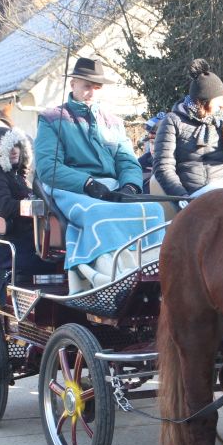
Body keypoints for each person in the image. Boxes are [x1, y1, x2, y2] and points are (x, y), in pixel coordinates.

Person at [33, 56, 164, 291]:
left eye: (96, 87)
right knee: (98, 214)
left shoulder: (113, 122)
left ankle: (150, 275)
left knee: (153, 210)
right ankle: (109, 281)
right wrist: (88, 184)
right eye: (86, 86)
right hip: (69, 188)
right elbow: (48, 168)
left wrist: (130, 187)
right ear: (72, 84)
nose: (92, 92)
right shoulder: (52, 119)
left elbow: (127, 160)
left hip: (111, 187)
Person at [152, 59, 223, 197]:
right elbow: (164, 167)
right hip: (190, 194)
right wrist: (182, 197)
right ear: (203, 101)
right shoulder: (172, 121)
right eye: (218, 99)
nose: (222, 105)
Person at [0, 127, 59, 294]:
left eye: (17, 146)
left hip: (32, 233)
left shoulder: (17, 175)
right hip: (16, 238)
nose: (14, 151)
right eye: (7, 147)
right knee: (54, 257)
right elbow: (3, 207)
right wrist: (31, 205)